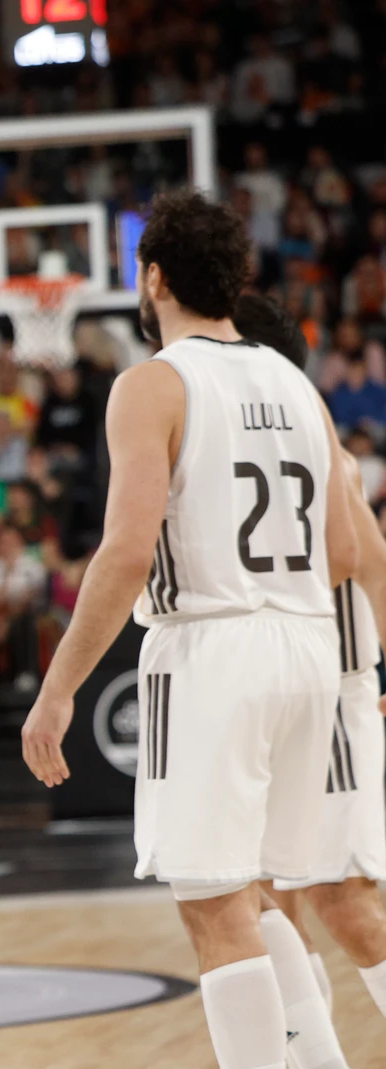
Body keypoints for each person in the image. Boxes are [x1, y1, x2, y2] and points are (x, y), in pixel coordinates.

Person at [21, 190, 359, 1069]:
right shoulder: (297, 383)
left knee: (213, 905)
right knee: (256, 890)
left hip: (217, 649)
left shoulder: (154, 383)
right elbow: (347, 544)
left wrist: (59, 689)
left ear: (154, 275)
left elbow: (127, 550)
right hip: (308, 645)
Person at [235, 291, 386, 1035]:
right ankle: (309, 1054)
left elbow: (372, 564)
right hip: (281, 689)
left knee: (346, 902)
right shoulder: (245, 447)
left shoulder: (322, 449)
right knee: (263, 894)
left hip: (332, 688)